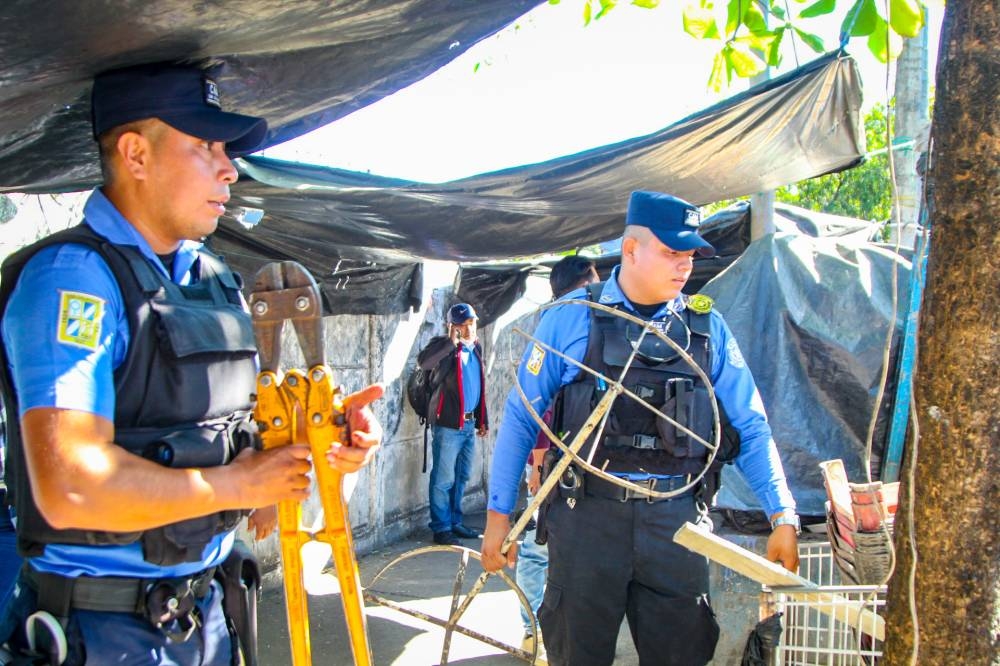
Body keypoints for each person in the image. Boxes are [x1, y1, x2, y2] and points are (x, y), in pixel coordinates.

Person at [0, 61, 384, 665]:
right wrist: (238, 483)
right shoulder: (73, 279)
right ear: (135, 154)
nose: (229, 167)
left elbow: (224, 433)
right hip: (102, 631)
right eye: (204, 145)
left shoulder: (214, 281)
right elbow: (69, 487)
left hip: (206, 615)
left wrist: (324, 434)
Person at [482, 191, 800, 666]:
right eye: (673, 252)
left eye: (691, 254)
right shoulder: (571, 317)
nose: (685, 265)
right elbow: (521, 420)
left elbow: (751, 426)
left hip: (677, 526)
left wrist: (783, 515)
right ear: (630, 249)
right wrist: (497, 516)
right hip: (586, 517)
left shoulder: (707, 330)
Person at [516, 255, 599, 655]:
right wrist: (536, 463)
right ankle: (535, 630)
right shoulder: (558, 325)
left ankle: (550, 632)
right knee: (536, 548)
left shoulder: (591, 320)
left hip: (580, 467)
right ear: (585, 280)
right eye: (595, 278)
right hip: (552, 463)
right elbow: (536, 407)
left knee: (563, 552)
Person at [417, 302, 489, 546]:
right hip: (448, 426)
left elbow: (479, 386)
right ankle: (441, 528)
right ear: (452, 326)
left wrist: (482, 419)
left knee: (461, 477)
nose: (469, 329)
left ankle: (455, 522)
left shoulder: (475, 349)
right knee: (443, 479)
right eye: (462, 325)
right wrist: (450, 341)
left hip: (468, 425)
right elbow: (424, 363)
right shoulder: (444, 348)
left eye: (472, 323)